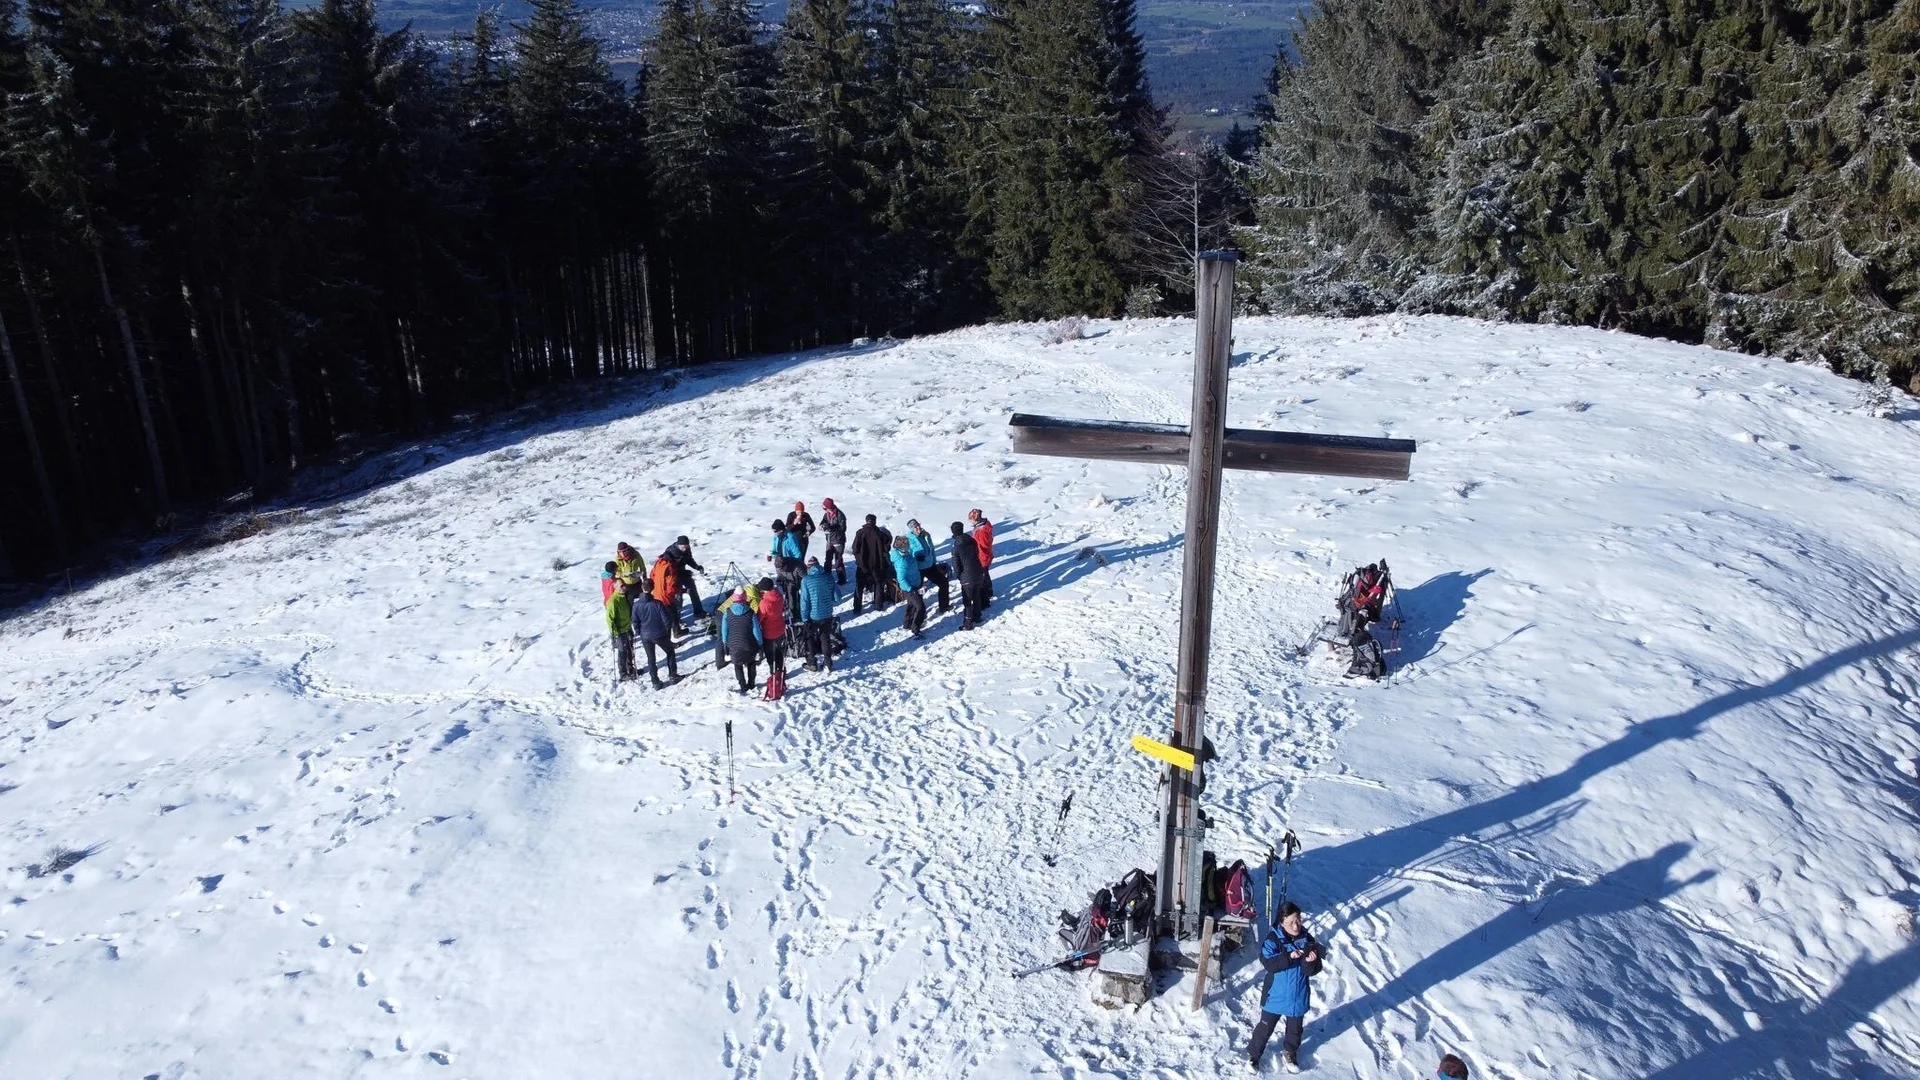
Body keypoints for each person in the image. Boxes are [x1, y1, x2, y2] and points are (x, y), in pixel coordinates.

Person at [1250, 901, 1324, 1073]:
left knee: (1295, 1030)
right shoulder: (1273, 939)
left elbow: (1313, 970)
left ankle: (1290, 1053)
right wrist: (1290, 956)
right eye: (1291, 922)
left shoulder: (1308, 940)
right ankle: (1254, 1056)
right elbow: (1269, 964)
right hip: (1275, 994)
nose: (1296, 925)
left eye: (1298, 920)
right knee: (1265, 1028)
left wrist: (1309, 962)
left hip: (1298, 994)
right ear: (1281, 922)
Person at [796, 556, 838, 670]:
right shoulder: (829, 577)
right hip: (827, 613)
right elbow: (837, 597)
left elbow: (804, 601)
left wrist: (804, 618)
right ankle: (828, 663)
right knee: (825, 638)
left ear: (809, 568)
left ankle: (812, 663)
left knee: (809, 637)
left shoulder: (806, 580)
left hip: (812, 616)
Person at [633, 589, 681, 689]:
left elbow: (635, 621)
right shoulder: (657, 603)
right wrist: (665, 631)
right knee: (670, 651)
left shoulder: (636, 605)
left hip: (645, 636)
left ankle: (655, 682)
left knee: (651, 659)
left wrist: (639, 632)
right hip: (659, 634)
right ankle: (673, 675)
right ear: (652, 588)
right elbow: (667, 619)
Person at [718, 588, 764, 693]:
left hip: (733, 644)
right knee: (751, 663)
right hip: (749, 644)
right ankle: (751, 683)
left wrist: (725, 643)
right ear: (745, 597)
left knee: (737, 665)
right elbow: (756, 630)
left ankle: (742, 684)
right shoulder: (750, 612)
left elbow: (725, 630)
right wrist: (760, 643)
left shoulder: (727, 612)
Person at [851, 513, 894, 614]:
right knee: (879, 585)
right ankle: (878, 606)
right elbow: (887, 548)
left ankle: (857, 608)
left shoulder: (860, 533)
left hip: (863, 565)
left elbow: (855, 549)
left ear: (866, 521)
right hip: (878, 565)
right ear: (875, 521)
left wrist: (859, 560)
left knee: (859, 587)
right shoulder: (881, 534)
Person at [949, 521, 987, 630]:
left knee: (967, 601)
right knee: (976, 596)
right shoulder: (972, 540)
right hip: (978, 572)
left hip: (967, 576)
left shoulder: (956, 547)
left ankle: (968, 623)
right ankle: (977, 616)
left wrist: (959, 576)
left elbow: (956, 565)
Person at [906, 519, 950, 614]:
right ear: (911, 530)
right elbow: (907, 556)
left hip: (930, 566)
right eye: (915, 527)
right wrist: (916, 559)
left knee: (943, 583)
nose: (918, 528)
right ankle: (918, 614)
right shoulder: (908, 540)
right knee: (918, 592)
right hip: (918, 569)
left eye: (918, 525)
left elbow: (932, 549)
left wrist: (934, 561)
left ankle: (944, 606)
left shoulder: (926, 535)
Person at [660, 535, 706, 620]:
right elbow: (669, 569)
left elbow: (689, 560)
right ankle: (677, 618)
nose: (685, 549)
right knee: (678, 596)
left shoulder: (687, 549)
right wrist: (682, 573)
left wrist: (697, 567)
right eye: (683, 547)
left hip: (683, 573)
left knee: (692, 590)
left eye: (687, 547)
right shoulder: (670, 552)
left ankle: (699, 612)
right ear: (678, 545)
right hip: (674, 576)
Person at [889, 535, 927, 638]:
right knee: (920, 607)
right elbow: (901, 579)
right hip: (910, 588)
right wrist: (911, 590)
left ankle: (907, 624)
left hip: (915, 584)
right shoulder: (902, 562)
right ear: (903, 547)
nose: (909, 546)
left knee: (911, 605)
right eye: (907, 545)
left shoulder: (906, 555)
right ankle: (915, 628)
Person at [604, 579, 637, 681]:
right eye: (621, 586)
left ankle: (631, 669)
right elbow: (609, 619)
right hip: (619, 632)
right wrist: (615, 633)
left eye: (624, 585)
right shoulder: (613, 601)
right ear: (615, 587)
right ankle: (623, 674)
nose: (624, 587)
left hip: (627, 628)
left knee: (630, 650)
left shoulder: (624, 596)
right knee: (622, 653)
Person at [756, 576, 788, 677]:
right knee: (778, 651)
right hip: (780, 628)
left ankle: (774, 672)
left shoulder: (764, 603)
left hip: (769, 632)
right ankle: (782, 670)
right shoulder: (778, 596)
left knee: (770, 653)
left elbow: (759, 618)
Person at [769, 520, 805, 608]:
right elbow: (774, 549)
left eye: (776, 531)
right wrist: (772, 554)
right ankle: (784, 603)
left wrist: (791, 563)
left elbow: (797, 554)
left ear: (781, 530)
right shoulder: (776, 537)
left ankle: (794, 605)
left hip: (789, 566)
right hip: (779, 564)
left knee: (791, 586)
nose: (775, 533)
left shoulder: (790, 537)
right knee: (781, 584)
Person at [649, 552, 687, 636]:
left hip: (656, 594)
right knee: (669, 618)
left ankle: (676, 631)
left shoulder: (659, 563)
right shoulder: (670, 568)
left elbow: (652, 575)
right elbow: (671, 588)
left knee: (670, 615)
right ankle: (668, 640)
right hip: (666, 598)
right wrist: (680, 590)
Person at [967, 509, 995, 607]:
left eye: (971, 520)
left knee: (982, 577)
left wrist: (977, 556)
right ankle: (989, 591)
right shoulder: (984, 526)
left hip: (982, 557)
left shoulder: (981, 531)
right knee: (986, 574)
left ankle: (986, 595)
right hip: (985, 556)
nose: (971, 522)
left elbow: (983, 546)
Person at [819, 498, 849, 585]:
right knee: (828, 559)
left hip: (838, 540)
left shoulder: (840, 515)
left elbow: (843, 529)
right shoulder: (827, 514)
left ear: (829, 507)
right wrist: (822, 526)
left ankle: (842, 579)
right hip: (829, 539)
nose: (824, 510)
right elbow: (824, 521)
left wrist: (831, 527)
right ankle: (827, 577)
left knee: (838, 561)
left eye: (825, 508)